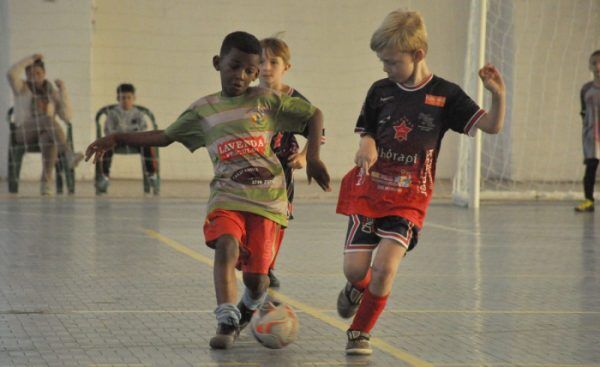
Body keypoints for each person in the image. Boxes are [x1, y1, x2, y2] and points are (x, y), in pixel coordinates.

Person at [85, 31, 330, 350]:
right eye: (233, 66)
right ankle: (226, 320)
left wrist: (311, 157)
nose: (240, 76)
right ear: (218, 63)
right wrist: (117, 137)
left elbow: (314, 115)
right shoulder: (203, 110)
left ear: (256, 74)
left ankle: (250, 303)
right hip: (227, 197)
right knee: (225, 247)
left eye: (249, 71)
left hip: (269, 203)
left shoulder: (267, 101)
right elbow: (165, 136)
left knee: (258, 279)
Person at [335, 10, 505, 355]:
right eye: (382, 62)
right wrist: (366, 142)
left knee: (384, 267)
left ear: (418, 55)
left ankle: (360, 331)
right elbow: (367, 129)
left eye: (392, 62)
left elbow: (491, 127)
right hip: (369, 191)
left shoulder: (446, 95)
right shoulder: (380, 90)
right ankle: (357, 288)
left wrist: (498, 96)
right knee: (356, 270)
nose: (386, 69)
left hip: (409, 199)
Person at [258, 37, 325, 288]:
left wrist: (304, 156)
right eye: (261, 61)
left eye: (273, 62)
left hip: (281, 169)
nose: (266, 67)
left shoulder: (295, 99)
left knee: (278, 221)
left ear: (286, 67)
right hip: (251, 167)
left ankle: (268, 267)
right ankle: (255, 262)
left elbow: (319, 131)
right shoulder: (247, 95)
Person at [6, 53, 83, 195]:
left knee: (49, 139)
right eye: (30, 73)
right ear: (26, 74)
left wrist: (63, 91)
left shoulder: (51, 92)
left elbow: (67, 116)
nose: (34, 76)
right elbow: (10, 73)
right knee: (47, 119)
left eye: (37, 73)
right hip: (24, 132)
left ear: (44, 73)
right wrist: (31, 59)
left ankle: (46, 184)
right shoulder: (21, 87)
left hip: (44, 133)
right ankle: (67, 154)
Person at [96, 83, 159, 194]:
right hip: (117, 141)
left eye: (129, 97)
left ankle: (151, 175)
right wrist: (121, 134)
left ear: (134, 98)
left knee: (147, 144)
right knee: (107, 146)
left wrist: (132, 134)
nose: (126, 100)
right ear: (118, 99)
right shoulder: (113, 114)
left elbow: (143, 128)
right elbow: (108, 130)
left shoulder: (138, 113)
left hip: (134, 140)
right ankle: (104, 177)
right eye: (122, 98)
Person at [574, 50, 600, 212]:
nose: (598, 66)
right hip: (593, 136)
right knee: (591, 168)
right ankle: (588, 200)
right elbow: (583, 112)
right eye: (594, 63)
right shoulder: (586, 89)